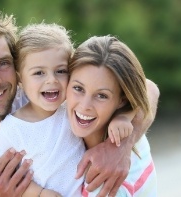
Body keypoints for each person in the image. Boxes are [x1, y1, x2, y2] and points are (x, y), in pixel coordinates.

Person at [0, 11, 159, 197]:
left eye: (2, 64)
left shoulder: (39, 96)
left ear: (17, 71)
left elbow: (145, 88)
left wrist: (121, 147)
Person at [0, 23, 136, 197]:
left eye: (60, 71)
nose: (52, 80)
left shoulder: (73, 107)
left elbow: (136, 99)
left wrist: (124, 118)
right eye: (39, 73)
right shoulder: (11, 129)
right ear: (20, 78)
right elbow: (3, 176)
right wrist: (40, 193)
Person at [66, 35, 158, 196]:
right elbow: (148, 88)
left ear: (121, 101)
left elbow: (148, 89)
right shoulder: (127, 127)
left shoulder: (106, 180)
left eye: (101, 95)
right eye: (78, 88)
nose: (85, 106)